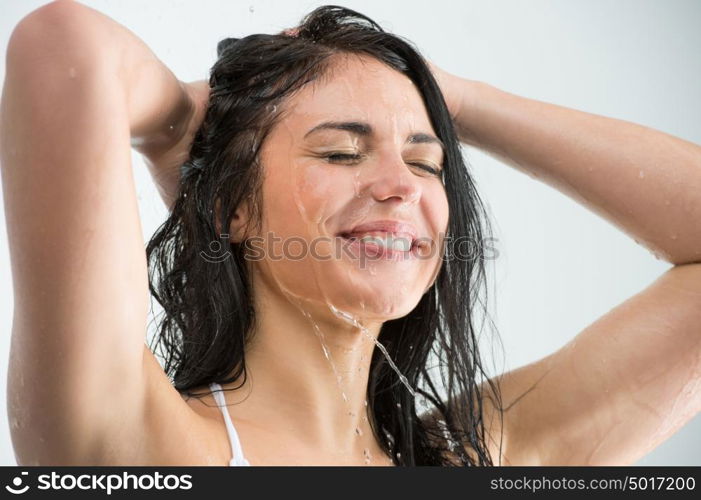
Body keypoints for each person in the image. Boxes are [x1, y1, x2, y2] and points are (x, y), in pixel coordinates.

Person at [2, 1, 700, 466]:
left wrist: (450, 97)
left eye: (426, 162)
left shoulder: (483, 455)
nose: (400, 186)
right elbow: (69, 44)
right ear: (230, 209)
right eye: (340, 153)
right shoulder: (138, 439)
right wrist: (183, 137)